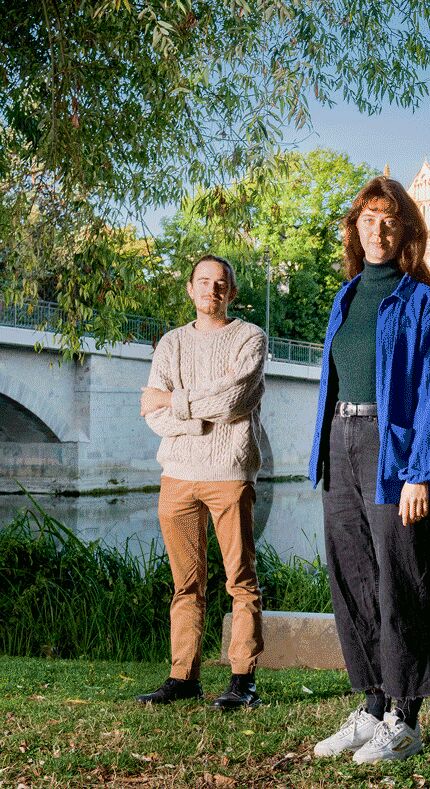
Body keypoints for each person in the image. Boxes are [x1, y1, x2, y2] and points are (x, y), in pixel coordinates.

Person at [308, 177, 430, 764]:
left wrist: (420, 473)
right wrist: (323, 451)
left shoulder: (422, 303)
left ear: (406, 231)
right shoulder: (345, 297)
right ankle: (372, 707)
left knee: (401, 579)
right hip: (340, 443)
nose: (378, 230)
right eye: (368, 219)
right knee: (353, 579)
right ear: (356, 229)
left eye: (389, 220)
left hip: (391, 451)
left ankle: (406, 718)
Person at [136, 254, 266, 712]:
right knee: (185, 584)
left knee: (240, 579)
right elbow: (151, 414)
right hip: (177, 476)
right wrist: (196, 418)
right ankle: (183, 677)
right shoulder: (171, 343)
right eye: (204, 281)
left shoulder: (249, 337)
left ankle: (243, 680)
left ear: (232, 292)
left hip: (229, 473)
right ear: (190, 289)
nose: (212, 289)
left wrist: (173, 400)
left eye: (221, 282)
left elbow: (235, 400)